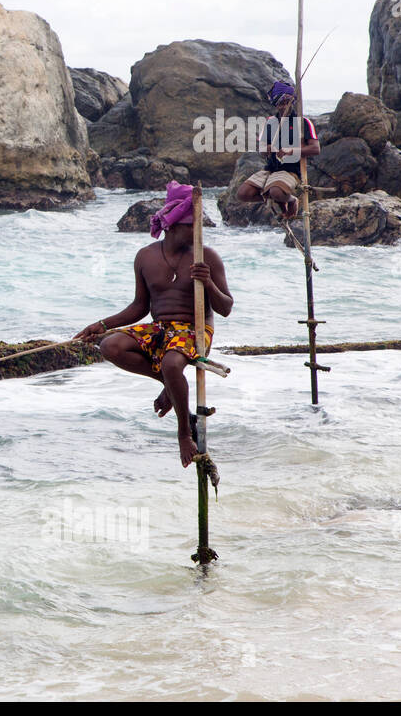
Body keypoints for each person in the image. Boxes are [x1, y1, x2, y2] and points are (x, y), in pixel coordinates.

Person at [75, 182, 233, 467]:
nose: (199, 232)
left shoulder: (206, 256)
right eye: (192, 226)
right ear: (173, 225)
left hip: (195, 330)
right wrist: (101, 324)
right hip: (160, 328)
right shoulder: (146, 257)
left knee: (173, 364)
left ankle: (184, 432)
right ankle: (172, 387)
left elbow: (226, 309)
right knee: (110, 345)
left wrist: (207, 281)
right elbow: (139, 307)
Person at [235, 79, 320, 219]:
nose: (284, 106)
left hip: (292, 170)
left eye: (287, 102)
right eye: (281, 103)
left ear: (292, 102)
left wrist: (291, 151)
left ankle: (291, 200)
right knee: (243, 194)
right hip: (271, 168)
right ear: (276, 104)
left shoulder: (303, 122)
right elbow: (262, 150)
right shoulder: (270, 122)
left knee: (276, 191)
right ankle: (273, 198)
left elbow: (315, 149)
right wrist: (267, 149)